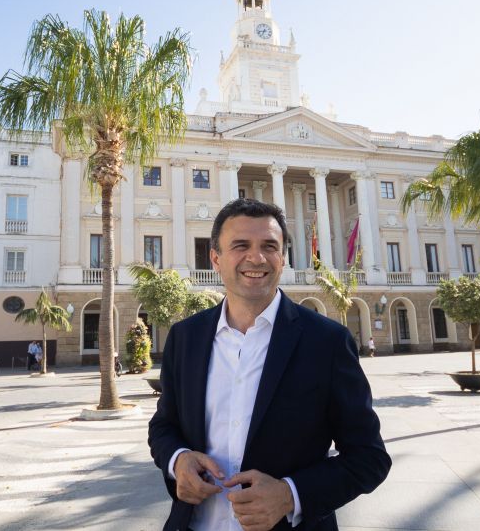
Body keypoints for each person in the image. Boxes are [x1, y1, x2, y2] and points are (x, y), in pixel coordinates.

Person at [148, 198, 391, 531]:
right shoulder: (185, 337)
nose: (257, 257)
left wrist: (290, 495)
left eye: (269, 246)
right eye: (241, 245)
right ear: (216, 258)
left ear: (283, 258)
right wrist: (178, 460)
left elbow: (369, 458)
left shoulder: (327, 342)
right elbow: (163, 426)